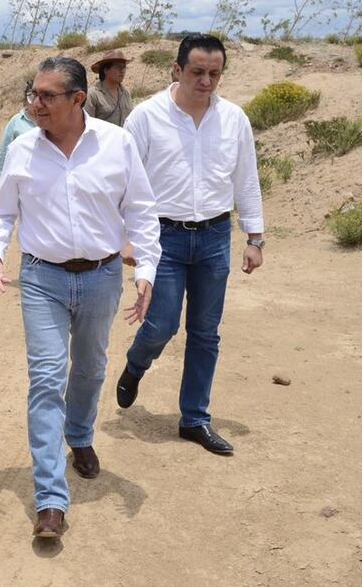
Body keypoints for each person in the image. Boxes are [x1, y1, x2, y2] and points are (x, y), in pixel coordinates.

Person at [0, 57, 161, 539]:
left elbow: (140, 210)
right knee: (46, 377)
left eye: (46, 96)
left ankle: (79, 436)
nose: (35, 104)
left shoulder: (116, 144)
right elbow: (1, 213)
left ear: (78, 99)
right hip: (41, 279)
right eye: (32, 95)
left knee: (91, 367)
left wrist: (148, 269)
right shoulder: (22, 148)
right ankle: (51, 500)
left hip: (101, 278)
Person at [116, 34, 265, 455]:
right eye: (197, 72)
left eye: (214, 73)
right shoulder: (146, 118)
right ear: (176, 70)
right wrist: (125, 235)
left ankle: (195, 418)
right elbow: (122, 179)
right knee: (161, 323)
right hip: (162, 237)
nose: (206, 81)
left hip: (216, 235)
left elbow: (246, 180)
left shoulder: (234, 119)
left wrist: (255, 237)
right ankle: (136, 364)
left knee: (205, 332)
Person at [0, 83, 38, 177]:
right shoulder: (16, 121)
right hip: (20, 174)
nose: (35, 103)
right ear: (25, 101)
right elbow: (5, 148)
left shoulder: (49, 121)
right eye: (31, 98)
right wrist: (1, 173)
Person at [85, 50, 135, 126]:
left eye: (123, 67)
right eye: (118, 67)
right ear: (106, 70)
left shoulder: (125, 92)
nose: (122, 71)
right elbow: (87, 124)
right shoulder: (93, 94)